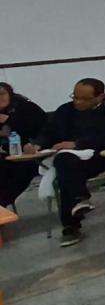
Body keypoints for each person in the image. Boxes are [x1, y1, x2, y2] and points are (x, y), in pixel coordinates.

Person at [28, 79, 105, 247]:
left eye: (84, 99)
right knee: (65, 163)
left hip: (104, 155)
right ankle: (79, 200)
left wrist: (78, 144)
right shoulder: (65, 110)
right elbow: (49, 132)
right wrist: (37, 145)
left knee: (66, 173)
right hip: (70, 159)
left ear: (100, 97)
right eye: (75, 97)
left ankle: (71, 224)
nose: (77, 102)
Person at [0, 84, 46, 212]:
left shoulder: (25, 107)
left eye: (2, 94)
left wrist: (9, 120)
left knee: (24, 168)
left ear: (10, 94)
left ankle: (2, 203)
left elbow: (37, 130)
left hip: (35, 150)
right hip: (8, 152)